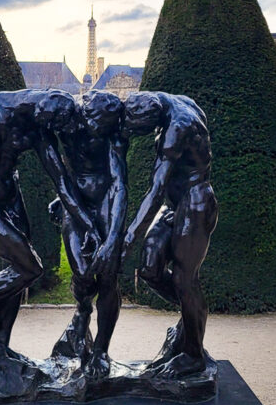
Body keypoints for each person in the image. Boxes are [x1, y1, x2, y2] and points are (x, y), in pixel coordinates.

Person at [0, 89, 96, 348]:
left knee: (13, 272)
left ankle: (1, 345)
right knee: (29, 267)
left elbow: (60, 180)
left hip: (11, 196)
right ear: (41, 111)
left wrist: (86, 223)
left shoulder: (36, 129)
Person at [122, 91, 218, 377]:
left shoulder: (176, 128)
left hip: (196, 202)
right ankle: (192, 316)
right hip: (175, 204)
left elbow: (155, 190)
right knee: (150, 268)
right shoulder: (178, 101)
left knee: (183, 278)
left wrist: (128, 237)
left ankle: (192, 355)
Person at [49, 90, 127, 376]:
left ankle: (101, 351)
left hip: (105, 200)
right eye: (96, 122)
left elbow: (119, 185)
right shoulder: (66, 124)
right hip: (75, 201)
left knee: (108, 277)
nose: (100, 130)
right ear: (86, 113)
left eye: (106, 125)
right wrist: (63, 196)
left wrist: (113, 238)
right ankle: (82, 311)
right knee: (82, 273)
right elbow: (60, 170)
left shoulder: (112, 136)